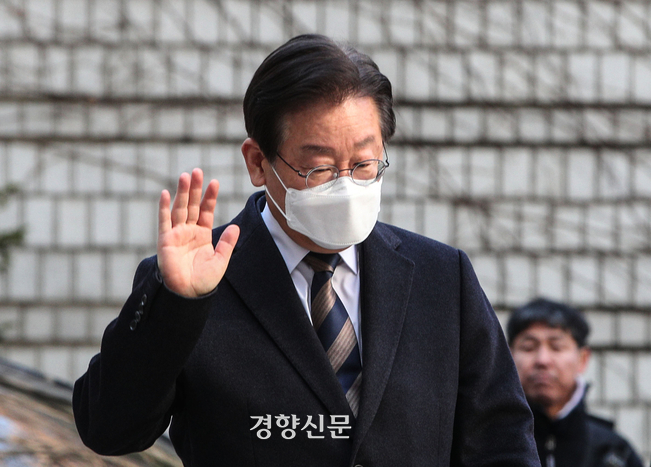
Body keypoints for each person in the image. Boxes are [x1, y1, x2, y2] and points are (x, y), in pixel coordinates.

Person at [73, 34, 539, 466]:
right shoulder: (199, 278)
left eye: (364, 164)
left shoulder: (441, 277)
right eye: (319, 169)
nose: (345, 186)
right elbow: (109, 430)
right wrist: (176, 305)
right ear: (258, 162)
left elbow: (501, 442)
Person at [508, 298, 644, 467]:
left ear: (583, 359)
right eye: (529, 347)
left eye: (556, 347)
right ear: (509, 357)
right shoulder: (492, 444)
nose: (542, 360)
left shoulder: (614, 452)